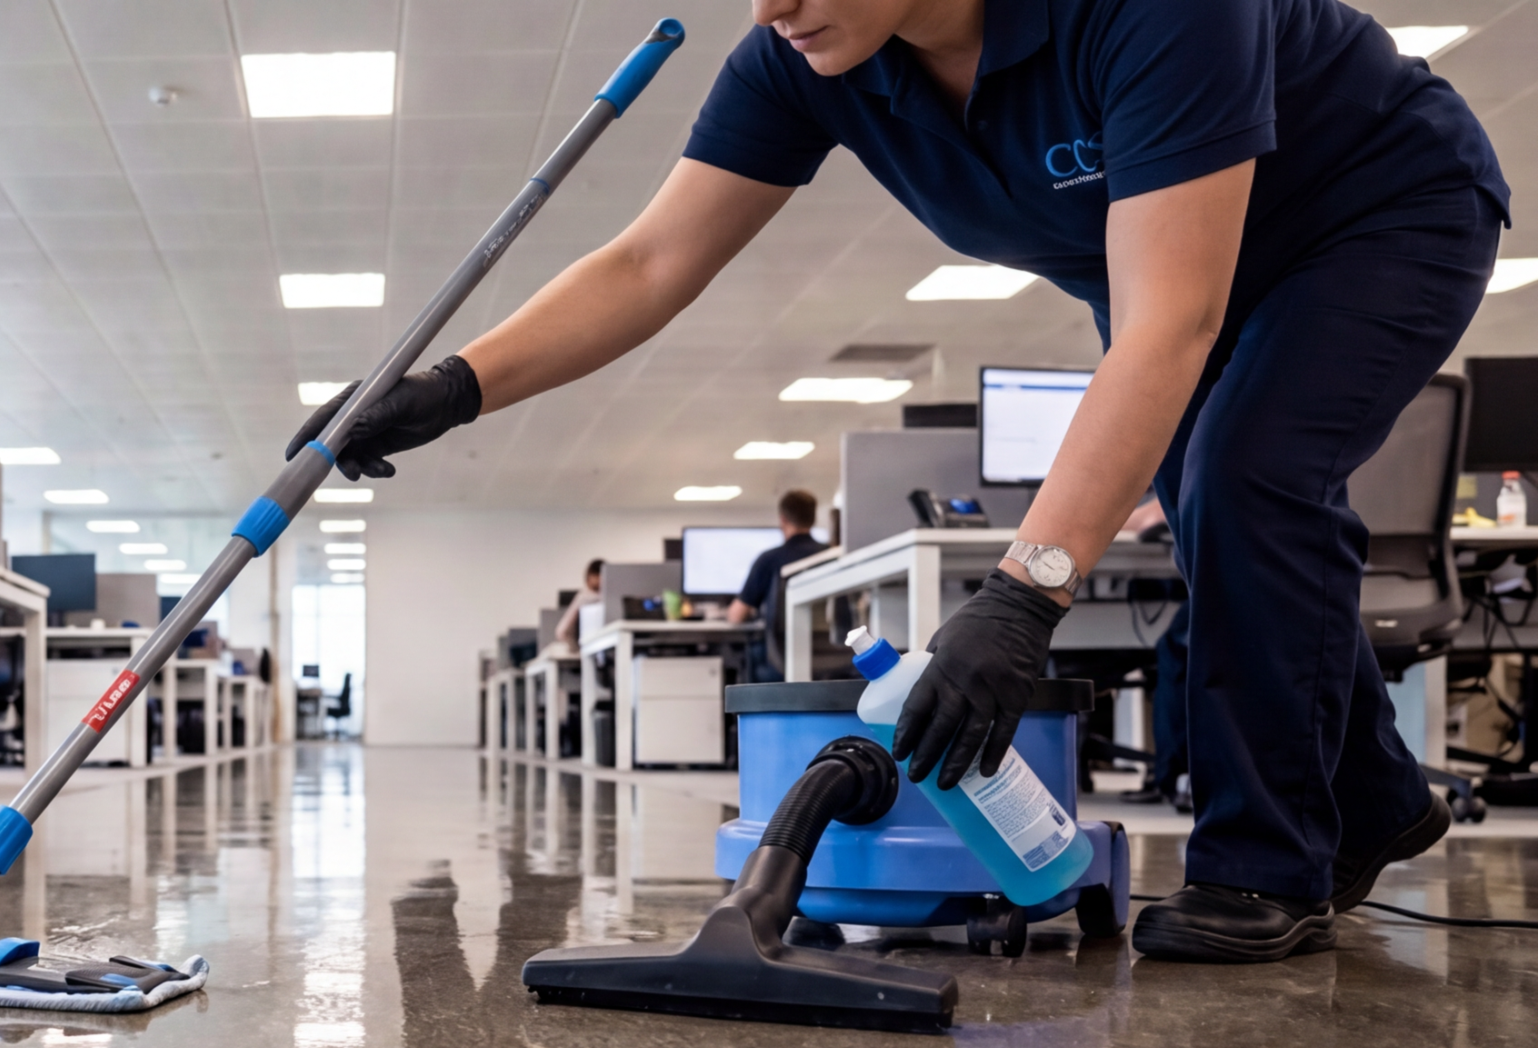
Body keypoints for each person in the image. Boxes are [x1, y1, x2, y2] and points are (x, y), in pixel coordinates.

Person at [290, 0, 1503, 964]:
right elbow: (651, 261)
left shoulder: (1153, 7)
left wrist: (1025, 594)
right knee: (1209, 498)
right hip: (1163, 267)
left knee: (1247, 472)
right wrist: (448, 387)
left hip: (1371, 212)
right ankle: (1375, 797)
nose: (770, 6)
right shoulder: (801, 57)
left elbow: (1167, 326)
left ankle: (1268, 868)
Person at [726, 490, 829, 681]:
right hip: (833, 655)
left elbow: (736, 616)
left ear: (783, 520)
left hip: (783, 659)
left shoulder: (770, 560)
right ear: (812, 519)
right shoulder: (833, 556)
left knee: (749, 653)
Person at [552, 559, 604, 650]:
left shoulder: (584, 597)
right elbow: (561, 631)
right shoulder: (584, 598)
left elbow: (561, 631)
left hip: (588, 649)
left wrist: (576, 649)